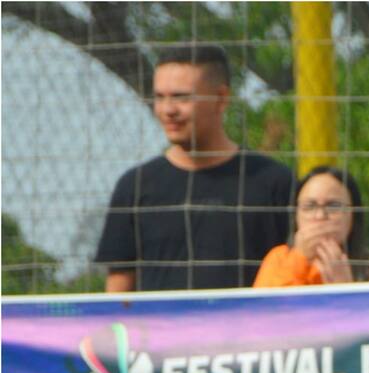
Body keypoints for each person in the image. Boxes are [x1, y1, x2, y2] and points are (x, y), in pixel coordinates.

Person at [95, 45, 294, 292]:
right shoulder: (135, 186)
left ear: (221, 98)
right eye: (160, 97)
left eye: (181, 97)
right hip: (161, 319)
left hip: (251, 318)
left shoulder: (273, 182)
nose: (168, 110)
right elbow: (119, 293)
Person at [253, 166, 369, 286]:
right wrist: (298, 261)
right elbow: (268, 310)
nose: (320, 216)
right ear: (296, 215)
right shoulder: (278, 259)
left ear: (353, 215)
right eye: (310, 206)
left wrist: (346, 289)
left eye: (333, 206)